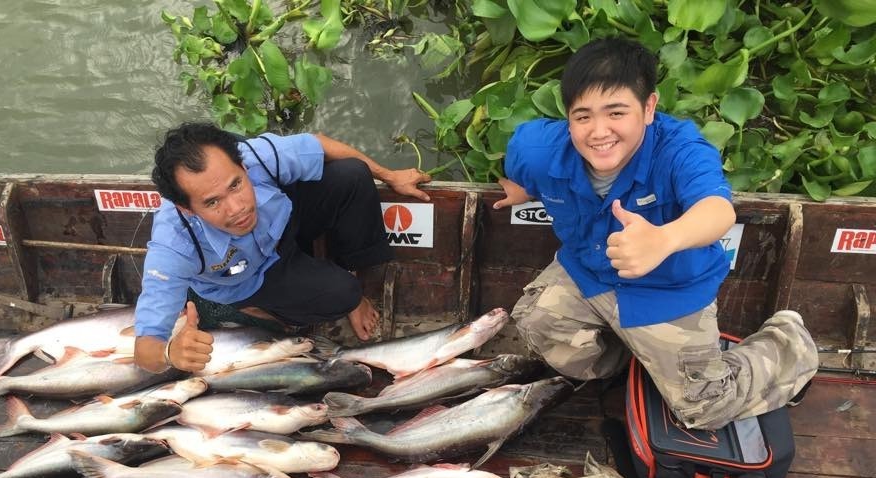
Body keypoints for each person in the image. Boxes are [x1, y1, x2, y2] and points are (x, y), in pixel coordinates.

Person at [493, 37, 817, 430]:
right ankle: (634, 354)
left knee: (706, 409)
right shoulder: (537, 149)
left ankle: (789, 342)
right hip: (589, 274)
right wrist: (524, 189)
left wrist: (664, 240)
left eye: (616, 112)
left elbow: (716, 210)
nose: (598, 132)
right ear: (568, 117)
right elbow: (523, 170)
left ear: (648, 108)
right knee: (538, 327)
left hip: (667, 290)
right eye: (583, 117)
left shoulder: (681, 149)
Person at [134, 121, 431, 373]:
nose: (237, 208)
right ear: (186, 209)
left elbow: (318, 145)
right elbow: (145, 348)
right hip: (253, 277)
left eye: (236, 185)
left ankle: (347, 266)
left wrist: (390, 176)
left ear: (241, 165)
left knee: (352, 174)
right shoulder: (173, 245)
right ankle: (269, 309)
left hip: (281, 224)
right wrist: (169, 353)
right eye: (212, 202)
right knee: (345, 293)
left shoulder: (254, 157)